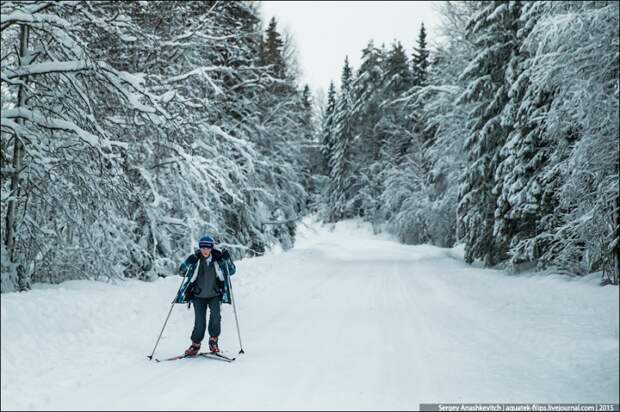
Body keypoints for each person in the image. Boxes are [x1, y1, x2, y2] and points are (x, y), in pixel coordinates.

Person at [178, 235, 236, 356]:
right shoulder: (195, 259)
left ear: (211, 248)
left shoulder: (218, 259)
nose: (205, 250)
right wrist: (188, 262)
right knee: (199, 322)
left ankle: (213, 341)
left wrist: (227, 259)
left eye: (207, 248)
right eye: (203, 248)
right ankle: (195, 345)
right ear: (200, 248)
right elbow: (181, 272)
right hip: (198, 296)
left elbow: (231, 271)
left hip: (214, 294)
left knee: (215, 317)